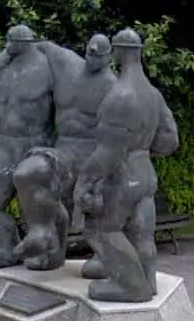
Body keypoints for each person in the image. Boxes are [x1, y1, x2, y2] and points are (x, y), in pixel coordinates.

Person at [73, 28, 179, 302]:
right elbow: (170, 141)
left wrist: (84, 181)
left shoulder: (120, 95)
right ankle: (148, 281)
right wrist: (142, 148)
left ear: (118, 53)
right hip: (146, 173)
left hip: (123, 175)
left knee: (102, 229)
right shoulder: (153, 95)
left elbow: (108, 153)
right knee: (142, 233)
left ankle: (132, 287)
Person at [11, 33, 116, 271]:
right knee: (26, 173)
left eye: (99, 56)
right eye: (90, 53)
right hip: (64, 151)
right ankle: (44, 233)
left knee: (104, 191)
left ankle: (107, 253)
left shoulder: (114, 88)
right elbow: (30, 46)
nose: (93, 59)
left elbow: (119, 139)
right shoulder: (66, 64)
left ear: (109, 57)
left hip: (93, 157)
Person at [0, 25, 57, 268]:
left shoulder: (49, 67)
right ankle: (4, 248)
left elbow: (70, 114)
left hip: (37, 147)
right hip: (4, 149)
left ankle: (46, 251)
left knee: (36, 208)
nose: (8, 45)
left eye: (13, 41)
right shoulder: (0, 69)